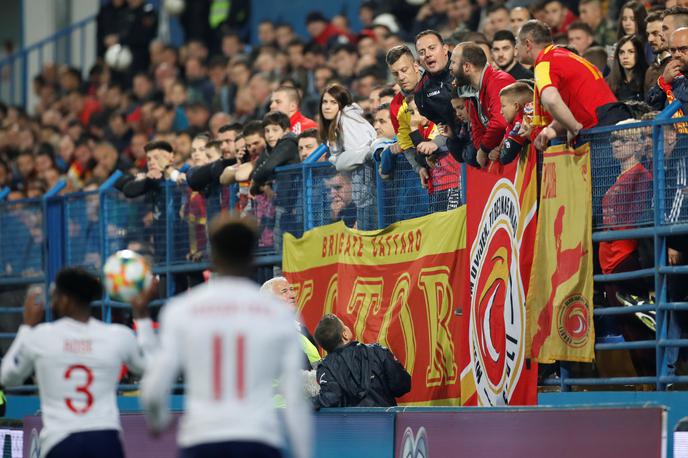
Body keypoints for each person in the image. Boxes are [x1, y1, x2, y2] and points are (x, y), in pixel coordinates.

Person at [140, 214, 312, 458]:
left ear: (213, 258)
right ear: (253, 258)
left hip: (202, 438)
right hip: (258, 437)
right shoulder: (276, 314)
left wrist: (157, 421)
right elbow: (294, 396)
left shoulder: (182, 310)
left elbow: (154, 387)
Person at [0, 268, 156, 458]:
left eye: (54, 294)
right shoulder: (117, 336)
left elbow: (7, 377)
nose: (51, 299)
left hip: (60, 442)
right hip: (105, 440)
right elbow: (151, 367)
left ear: (65, 300)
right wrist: (142, 317)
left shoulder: (42, 337)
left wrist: (26, 327)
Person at [516, 20, 618, 150]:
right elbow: (570, 103)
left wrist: (574, 127)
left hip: (599, 129)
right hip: (608, 120)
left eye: (517, 42)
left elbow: (551, 100)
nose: (516, 48)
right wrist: (552, 129)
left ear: (528, 44)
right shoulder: (562, 56)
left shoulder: (545, 62)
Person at [312, 314, 411, 408]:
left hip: (349, 425)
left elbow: (330, 398)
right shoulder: (377, 352)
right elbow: (402, 385)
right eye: (344, 325)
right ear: (345, 335)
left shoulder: (325, 367)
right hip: (385, 422)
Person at [319, 83, 377, 229]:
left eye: (333, 102)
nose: (327, 106)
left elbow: (363, 156)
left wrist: (338, 161)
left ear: (342, 104)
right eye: (325, 102)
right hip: (365, 196)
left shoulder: (348, 121)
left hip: (370, 195)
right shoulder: (340, 122)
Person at [451, 42, 515, 167]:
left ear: (467, 67)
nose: (450, 67)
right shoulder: (474, 92)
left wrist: (484, 149)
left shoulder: (498, 81)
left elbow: (500, 122)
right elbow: (477, 128)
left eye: (453, 62)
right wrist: (487, 149)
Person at [260, 276, 320, 370]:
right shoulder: (263, 335)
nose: (292, 295)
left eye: (291, 289)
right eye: (284, 291)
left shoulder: (302, 331)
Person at [499, 82, 534, 164]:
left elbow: (505, 157)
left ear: (516, 106)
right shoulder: (513, 123)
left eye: (503, 106)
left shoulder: (522, 122)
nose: (501, 112)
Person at [607, 35, 648, 102]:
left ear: (639, 54)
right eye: (621, 52)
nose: (625, 56)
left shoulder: (647, 78)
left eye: (631, 52)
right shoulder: (610, 82)